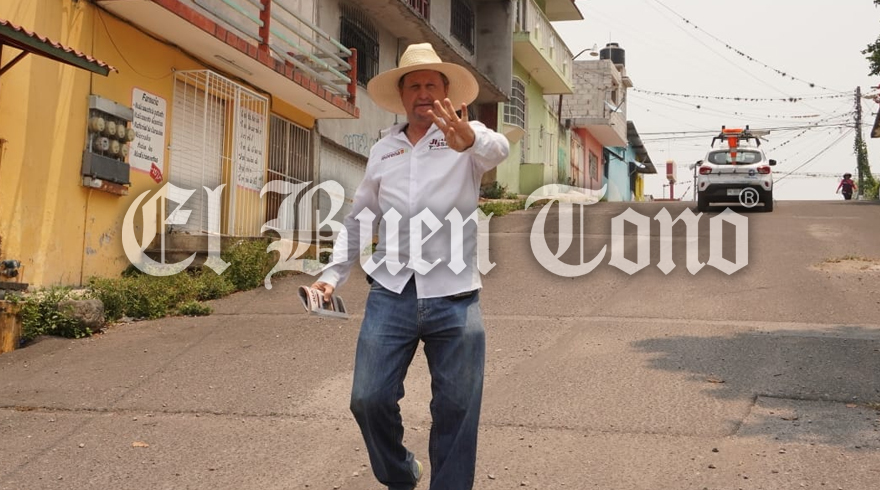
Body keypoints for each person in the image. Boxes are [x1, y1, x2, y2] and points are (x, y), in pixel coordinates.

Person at [311, 43, 509, 489]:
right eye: (414, 86)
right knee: (368, 398)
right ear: (402, 96)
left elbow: (498, 150)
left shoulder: (467, 136)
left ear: (446, 93)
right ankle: (401, 473)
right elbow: (361, 218)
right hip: (392, 292)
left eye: (431, 85)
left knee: (457, 409)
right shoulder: (385, 149)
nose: (423, 93)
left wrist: (470, 139)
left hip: (455, 295)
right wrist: (331, 276)